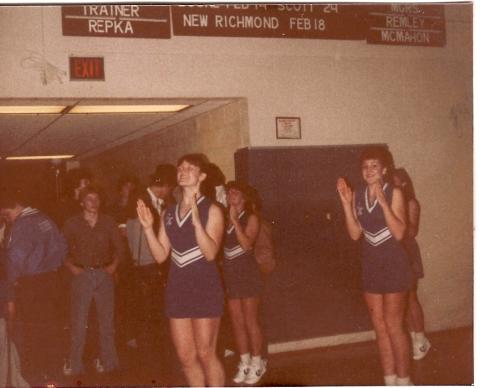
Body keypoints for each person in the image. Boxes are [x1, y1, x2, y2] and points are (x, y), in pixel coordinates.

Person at [137, 153, 225, 387]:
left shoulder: (212, 209)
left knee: (206, 353)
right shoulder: (168, 212)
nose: (183, 171)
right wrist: (147, 229)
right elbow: (160, 255)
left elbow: (210, 254)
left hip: (205, 286)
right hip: (178, 288)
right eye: (180, 168)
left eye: (190, 168)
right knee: (186, 357)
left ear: (202, 176)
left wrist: (197, 223)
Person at [336, 147, 413, 386]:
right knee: (379, 326)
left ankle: (404, 380)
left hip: (393, 263)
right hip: (371, 263)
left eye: (374, 166)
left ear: (384, 169)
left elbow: (399, 233)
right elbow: (354, 234)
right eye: (365, 167)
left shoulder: (395, 192)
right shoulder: (358, 194)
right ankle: (389, 379)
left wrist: (383, 202)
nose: (369, 171)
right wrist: (347, 205)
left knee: (393, 325)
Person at [0, 187, 67, 385]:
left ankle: (36, 377)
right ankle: (54, 375)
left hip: (31, 285)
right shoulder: (45, 218)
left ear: (10, 210)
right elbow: (62, 247)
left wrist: (11, 285)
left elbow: (14, 260)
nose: (7, 220)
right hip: (52, 281)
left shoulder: (21, 225)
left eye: (6, 215)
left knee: (32, 334)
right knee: (50, 330)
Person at [63, 186, 123, 377]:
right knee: (78, 323)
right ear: (82, 202)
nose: (93, 202)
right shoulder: (72, 223)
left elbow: (120, 247)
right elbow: (60, 247)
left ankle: (109, 363)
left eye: (96, 199)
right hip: (82, 276)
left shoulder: (108, 222)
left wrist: (113, 266)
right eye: (89, 199)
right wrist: (72, 267)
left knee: (107, 322)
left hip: (104, 275)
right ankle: (75, 365)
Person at [124, 166, 176, 351]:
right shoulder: (141, 200)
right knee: (148, 306)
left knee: (151, 305)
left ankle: (151, 344)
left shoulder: (156, 201)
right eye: (170, 188)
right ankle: (149, 347)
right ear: (165, 186)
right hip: (145, 262)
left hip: (150, 261)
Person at [223, 181, 266, 384]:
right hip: (231, 276)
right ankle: (245, 361)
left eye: (235, 192)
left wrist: (234, 220)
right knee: (237, 322)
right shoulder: (224, 219)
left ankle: (258, 363)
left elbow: (247, 245)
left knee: (250, 321)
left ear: (244, 197)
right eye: (229, 192)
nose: (231, 194)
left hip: (248, 275)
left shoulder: (251, 218)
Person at [392, 168, 431, 360]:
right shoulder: (389, 203)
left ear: (404, 184)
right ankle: (412, 338)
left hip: (407, 253)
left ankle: (421, 340)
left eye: (395, 182)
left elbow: (413, 231)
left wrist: (396, 225)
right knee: (399, 301)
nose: (391, 186)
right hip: (391, 254)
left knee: (410, 298)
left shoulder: (411, 203)